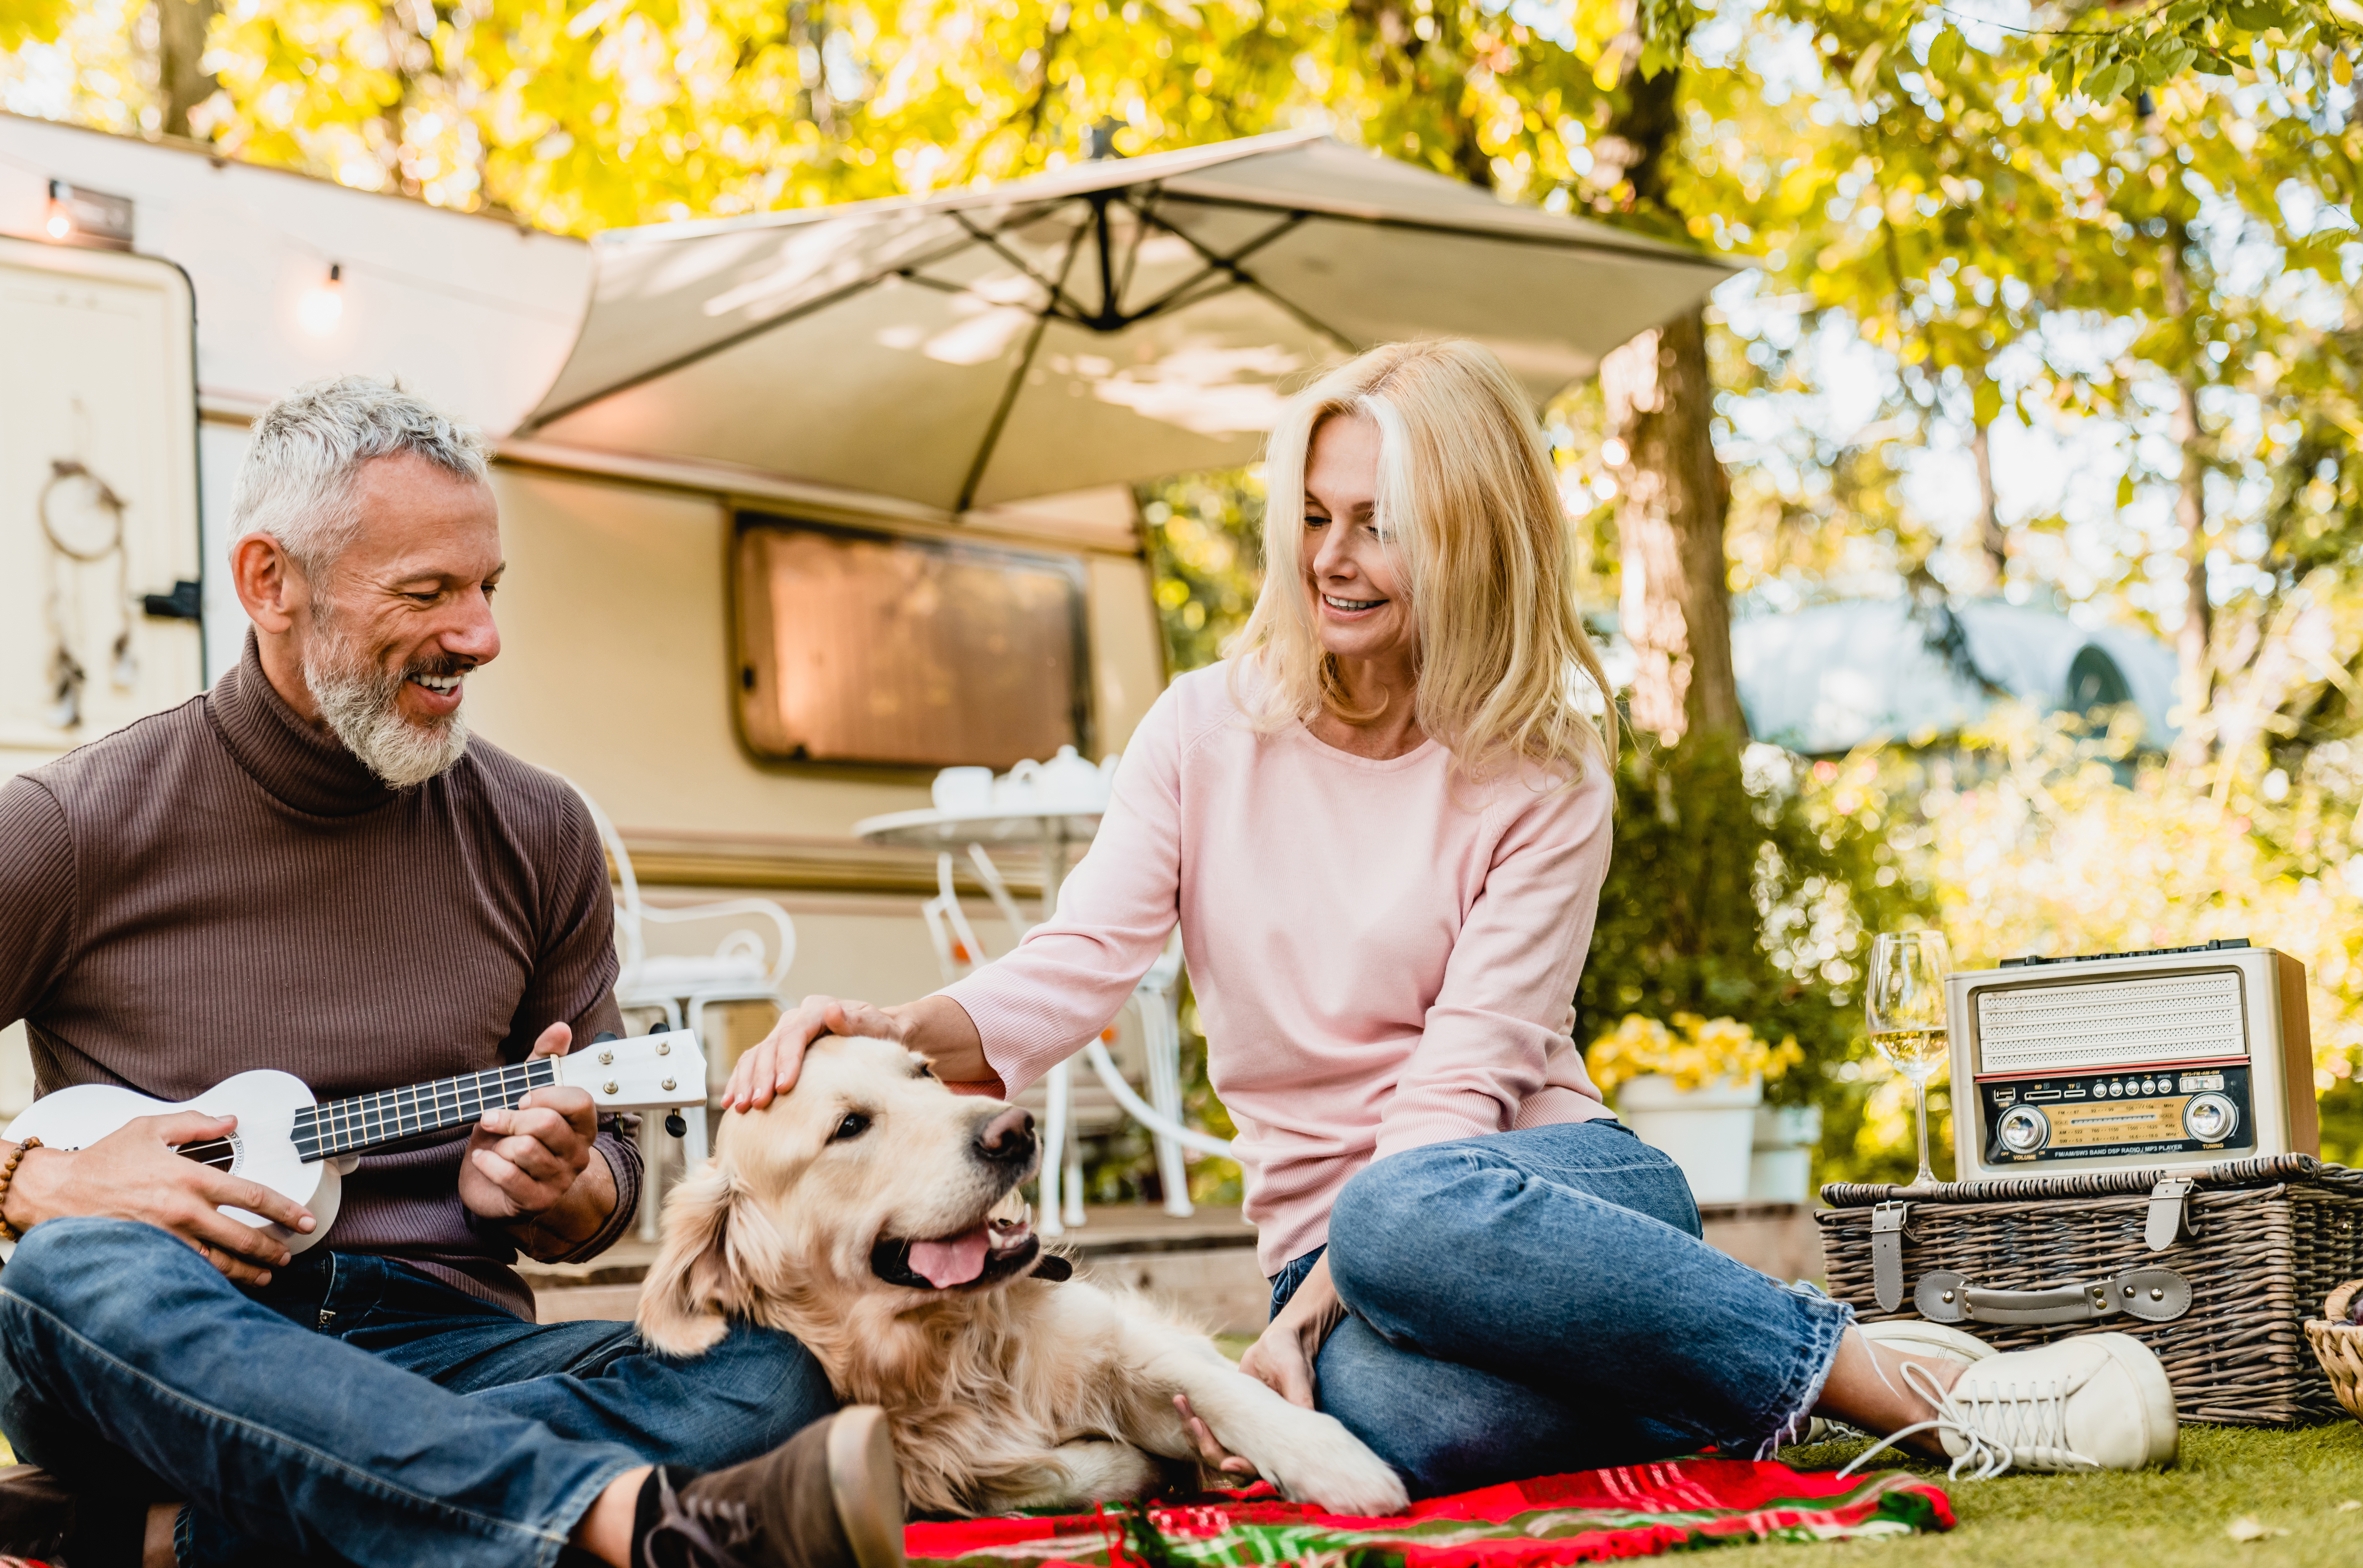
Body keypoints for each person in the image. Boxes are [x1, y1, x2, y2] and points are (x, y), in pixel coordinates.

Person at [728, 340, 2180, 1492]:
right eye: (1311, 516)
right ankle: (1686, 1367)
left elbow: (1459, 1083)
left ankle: (1892, 1381)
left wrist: (1306, 1314)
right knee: (1405, 1435)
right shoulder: (1199, 731)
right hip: (1338, 1262)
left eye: (1378, 525)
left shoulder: (1542, 770)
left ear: (1470, 538)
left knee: (1398, 1214)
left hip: (1536, 1191)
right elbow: (1075, 966)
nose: (1329, 559)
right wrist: (891, 1027)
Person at [0, 378, 902, 1568]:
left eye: (487, 587)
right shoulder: (71, 826)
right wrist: (43, 1185)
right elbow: (60, 1237)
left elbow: (604, 1182)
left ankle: (144, 1533)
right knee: (76, 1275)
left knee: (766, 1374)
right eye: (426, 593)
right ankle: (624, 1520)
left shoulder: (540, 830)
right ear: (269, 582)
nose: (480, 636)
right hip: (156, 1335)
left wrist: (564, 1188)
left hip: (446, 1341)